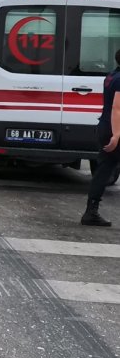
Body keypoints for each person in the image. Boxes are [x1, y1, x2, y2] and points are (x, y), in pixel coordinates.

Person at [80, 49, 120, 227]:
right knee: (104, 170)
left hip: (104, 127)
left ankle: (91, 211)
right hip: (115, 130)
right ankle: (91, 212)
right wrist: (116, 135)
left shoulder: (111, 76)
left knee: (103, 171)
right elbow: (117, 108)